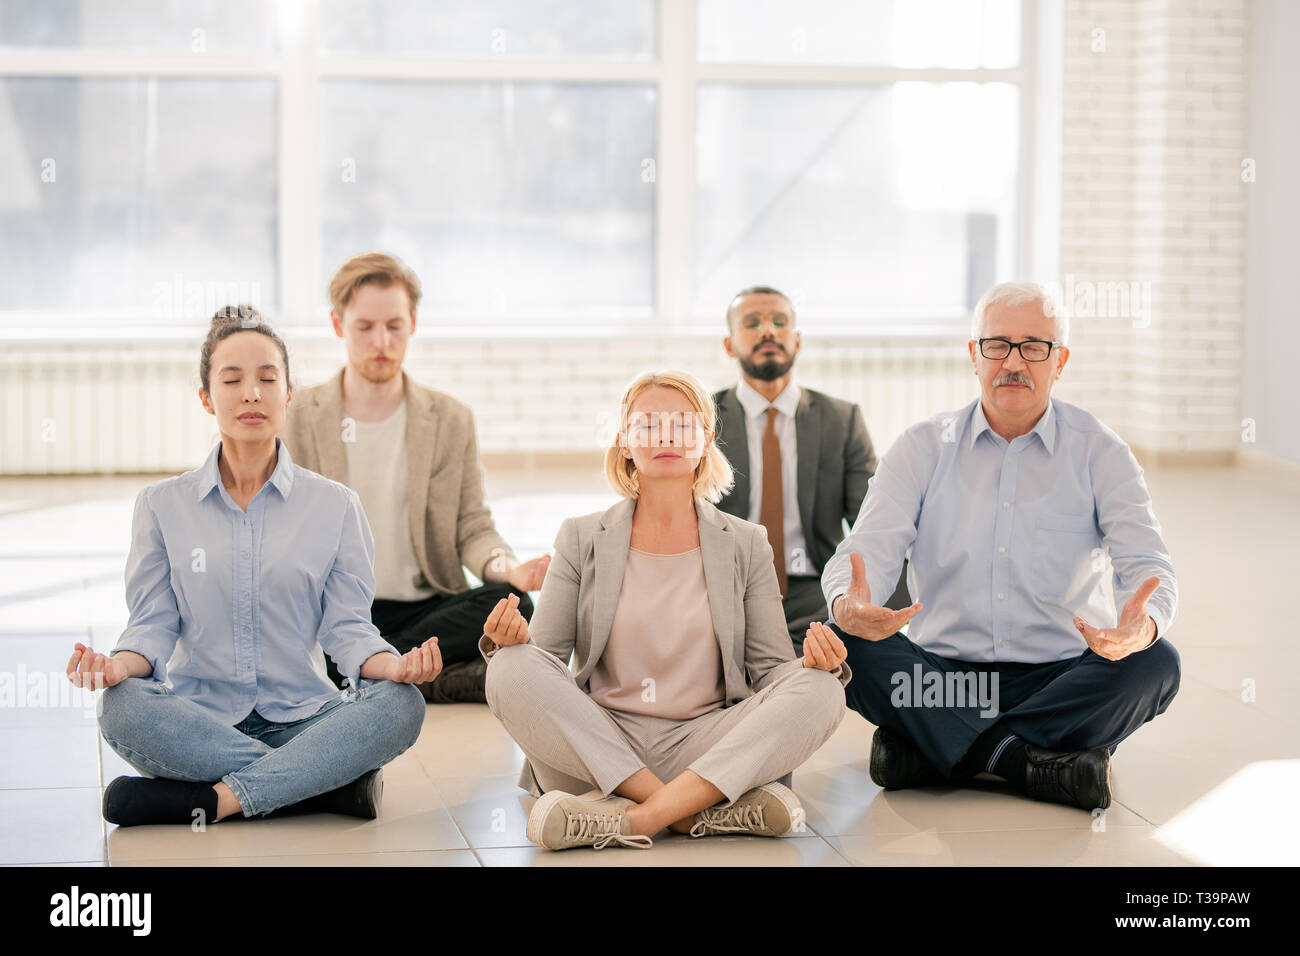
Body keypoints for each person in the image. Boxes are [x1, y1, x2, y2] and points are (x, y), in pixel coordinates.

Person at [66, 306, 434, 827]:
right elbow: (152, 625)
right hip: (199, 722)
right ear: (205, 397)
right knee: (122, 707)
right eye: (232, 379)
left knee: (402, 705)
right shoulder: (160, 506)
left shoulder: (336, 506)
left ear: (288, 394)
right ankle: (321, 786)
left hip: (307, 718)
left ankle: (214, 799)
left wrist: (393, 666)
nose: (252, 394)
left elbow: (347, 628)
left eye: (267, 379)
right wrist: (115, 666)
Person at [822, 281, 1181, 811]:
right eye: (997, 345)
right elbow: (865, 551)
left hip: (1059, 677)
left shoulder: (1101, 451)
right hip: (944, 677)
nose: (1015, 362)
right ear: (974, 355)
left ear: (1060, 361)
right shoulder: (922, 446)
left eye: (1035, 346)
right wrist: (850, 605)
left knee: (1156, 663)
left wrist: (1140, 624)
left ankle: (936, 749)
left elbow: (1149, 565)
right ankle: (1025, 762)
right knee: (841, 641)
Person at [480, 370, 851, 851]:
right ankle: (690, 814)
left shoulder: (746, 542)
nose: (667, 436)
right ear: (625, 441)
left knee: (823, 688)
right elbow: (544, 661)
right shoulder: (580, 536)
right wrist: (514, 641)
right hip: (602, 745)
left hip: (709, 745)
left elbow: (771, 669)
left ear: (706, 439)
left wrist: (813, 666)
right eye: (649, 424)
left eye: (682, 424)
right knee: (509, 666)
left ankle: (631, 818)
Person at [282, 252, 549, 703]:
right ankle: (421, 674)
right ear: (337, 325)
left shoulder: (449, 419)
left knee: (513, 602)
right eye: (364, 327)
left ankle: (378, 672)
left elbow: (473, 526)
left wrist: (509, 567)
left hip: (423, 612)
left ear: (413, 323)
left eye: (394, 325)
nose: (380, 341)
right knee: (286, 637)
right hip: (335, 615)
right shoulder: (299, 416)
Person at [712, 285, 905, 650]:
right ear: (729, 344)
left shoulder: (842, 419)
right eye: (751, 323)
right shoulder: (704, 419)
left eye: (779, 321)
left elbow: (873, 518)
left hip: (814, 589)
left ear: (796, 340)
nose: (767, 330)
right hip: (726, 590)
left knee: (840, 666)